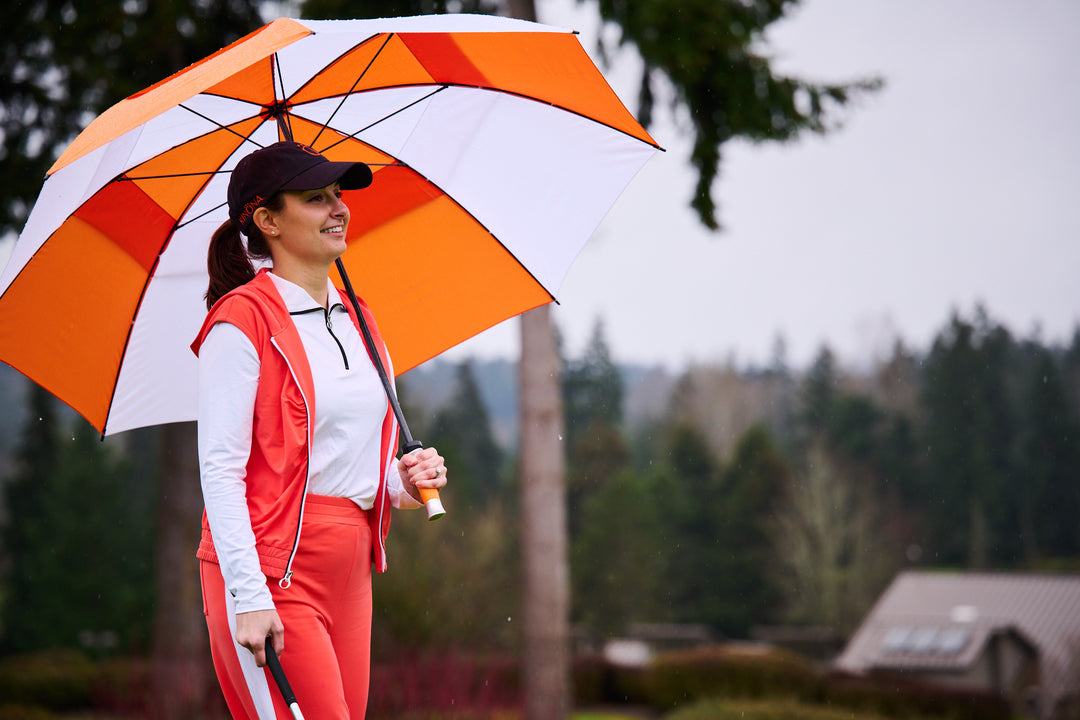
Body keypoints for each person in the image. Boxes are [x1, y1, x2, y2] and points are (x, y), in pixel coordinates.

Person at [191, 140, 448, 720]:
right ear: (267, 221)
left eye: (338, 195)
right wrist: (249, 596)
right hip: (271, 567)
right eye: (316, 198)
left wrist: (407, 483)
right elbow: (221, 471)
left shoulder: (362, 318)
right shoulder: (239, 323)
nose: (339, 208)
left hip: (352, 566)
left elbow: (362, 470)